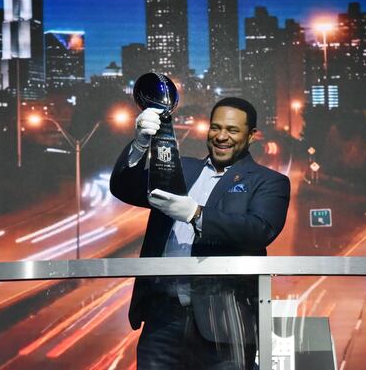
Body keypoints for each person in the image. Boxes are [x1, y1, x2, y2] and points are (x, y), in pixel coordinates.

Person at [110, 97, 290, 369]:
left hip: (224, 323)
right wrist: (139, 144)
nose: (221, 137)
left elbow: (259, 230)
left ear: (252, 135)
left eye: (232, 130)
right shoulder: (182, 169)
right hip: (163, 318)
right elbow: (124, 188)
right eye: (215, 127)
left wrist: (196, 214)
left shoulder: (268, 181)